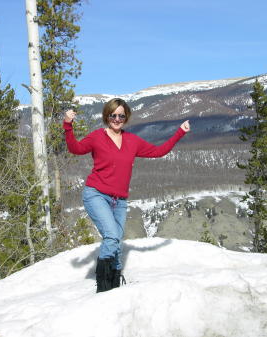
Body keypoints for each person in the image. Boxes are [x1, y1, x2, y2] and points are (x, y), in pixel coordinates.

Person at [63, 98, 190, 293]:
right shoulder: (97, 137)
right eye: (113, 115)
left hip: (119, 201)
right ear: (107, 116)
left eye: (121, 115)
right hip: (96, 194)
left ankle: (114, 287)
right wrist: (68, 126)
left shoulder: (132, 141)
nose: (117, 119)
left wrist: (179, 133)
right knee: (112, 236)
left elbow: (158, 152)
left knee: (116, 243)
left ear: (126, 117)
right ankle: (104, 287)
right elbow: (76, 148)